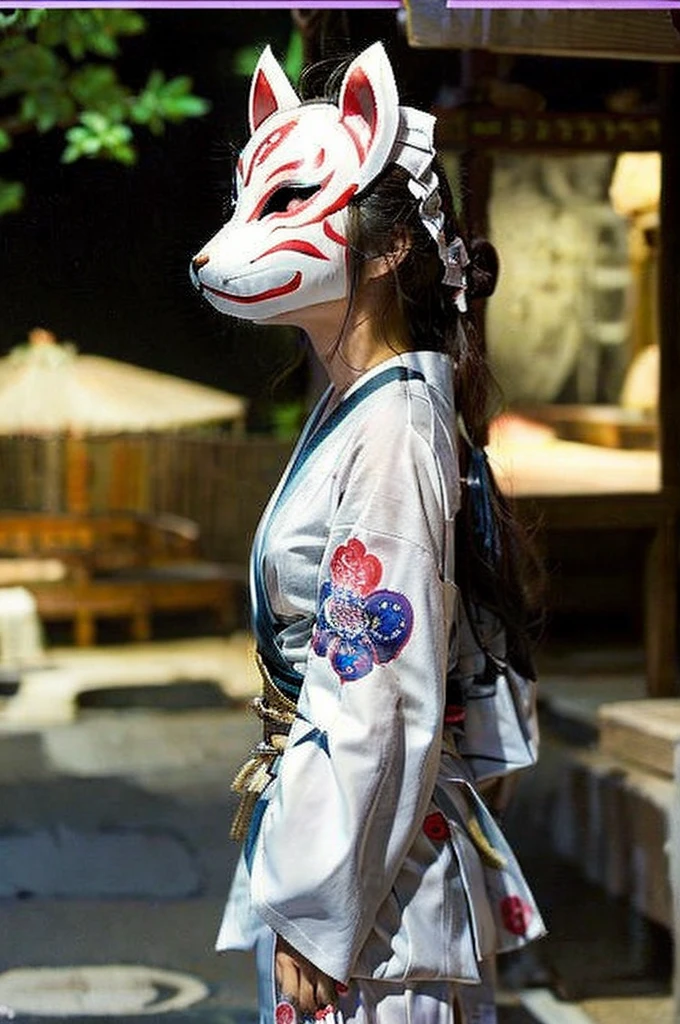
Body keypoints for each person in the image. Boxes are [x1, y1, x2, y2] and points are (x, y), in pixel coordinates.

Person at [191, 41, 545, 1024]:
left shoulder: (391, 427)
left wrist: (317, 908)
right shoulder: (376, 407)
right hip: (362, 870)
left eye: (286, 206)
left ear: (387, 249)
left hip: (367, 907)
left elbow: (373, 689)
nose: (227, 245)